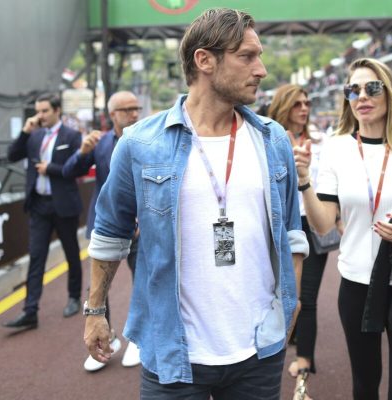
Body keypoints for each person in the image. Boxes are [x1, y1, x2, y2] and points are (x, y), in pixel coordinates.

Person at [83, 8, 308, 399]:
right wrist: (95, 311)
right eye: (247, 56)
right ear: (205, 60)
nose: (261, 70)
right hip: (172, 351)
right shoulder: (139, 143)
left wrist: (292, 303)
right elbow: (110, 233)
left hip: (260, 348)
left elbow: (292, 233)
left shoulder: (273, 140)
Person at [294, 58, 392, 399]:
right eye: (353, 90)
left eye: (372, 87)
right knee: (365, 386)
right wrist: (304, 182)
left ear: (389, 92)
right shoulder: (336, 147)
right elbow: (322, 227)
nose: (361, 95)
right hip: (357, 285)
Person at [63, 91, 142, 371]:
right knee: (97, 285)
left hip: (139, 227)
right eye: (127, 109)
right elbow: (69, 172)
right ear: (112, 114)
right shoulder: (100, 143)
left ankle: (136, 338)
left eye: (137, 108)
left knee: (142, 278)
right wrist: (82, 152)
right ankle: (105, 337)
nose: (134, 113)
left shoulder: (146, 139)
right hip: (104, 225)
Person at [267, 84, 335, 400]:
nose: (304, 109)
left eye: (307, 103)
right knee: (271, 291)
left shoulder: (322, 142)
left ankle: (304, 359)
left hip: (310, 224)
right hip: (275, 227)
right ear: (283, 106)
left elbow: (329, 189)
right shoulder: (267, 140)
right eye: (296, 104)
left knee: (306, 296)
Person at [3, 93, 83, 330]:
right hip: (39, 205)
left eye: (45, 111)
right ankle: (30, 311)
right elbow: (12, 155)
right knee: (36, 257)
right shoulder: (34, 136)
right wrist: (25, 131)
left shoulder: (72, 136)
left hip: (63, 205)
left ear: (57, 110)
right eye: (38, 111)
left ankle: (74, 297)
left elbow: (77, 169)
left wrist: (52, 169)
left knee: (71, 252)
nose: (40, 116)